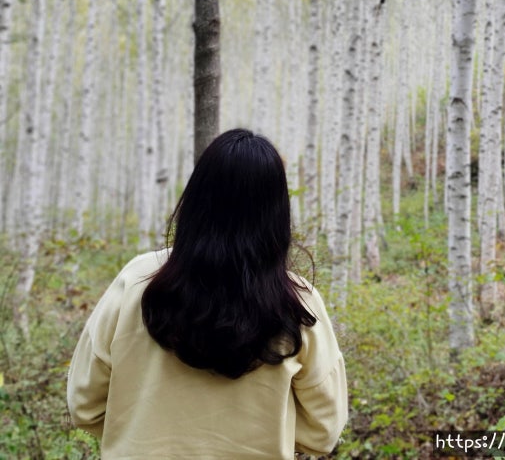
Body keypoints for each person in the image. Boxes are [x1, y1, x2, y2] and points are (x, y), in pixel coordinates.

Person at [67, 129, 347, 459]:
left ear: (196, 199)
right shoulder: (297, 304)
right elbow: (324, 430)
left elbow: (84, 405)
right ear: (276, 214)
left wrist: (132, 432)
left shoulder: (137, 281)